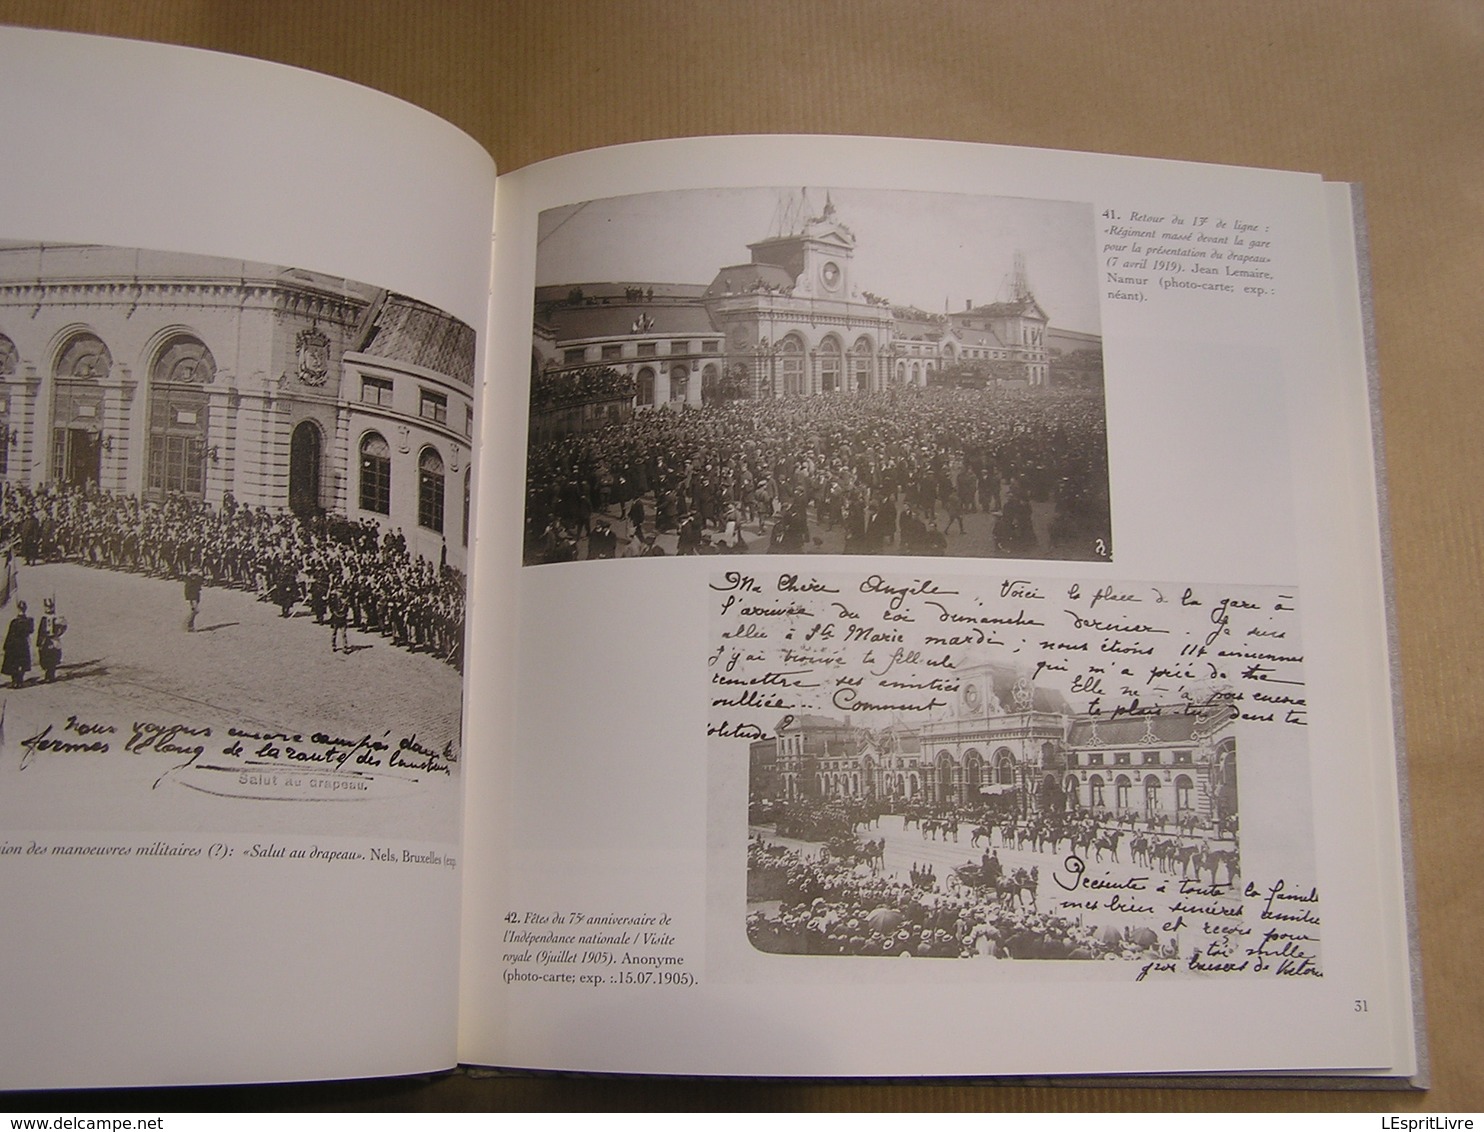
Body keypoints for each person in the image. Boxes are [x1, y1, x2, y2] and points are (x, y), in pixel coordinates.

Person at [3, 600, 33, 688]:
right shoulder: (26, 621)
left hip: (18, 645)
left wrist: (6, 645)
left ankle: (17, 681)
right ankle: (17, 681)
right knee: (17, 663)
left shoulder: (19, 621)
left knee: (18, 663)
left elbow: (11, 634)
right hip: (19, 644)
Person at [35, 597, 65, 683]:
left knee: (52, 658)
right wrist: (39, 642)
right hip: (45, 640)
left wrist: (58, 634)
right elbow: (40, 631)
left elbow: (63, 628)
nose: (48, 609)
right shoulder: (44, 618)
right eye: (47, 607)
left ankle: (50, 676)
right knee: (45, 657)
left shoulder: (57, 618)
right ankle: (48, 675)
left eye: (50, 607)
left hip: (53, 640)